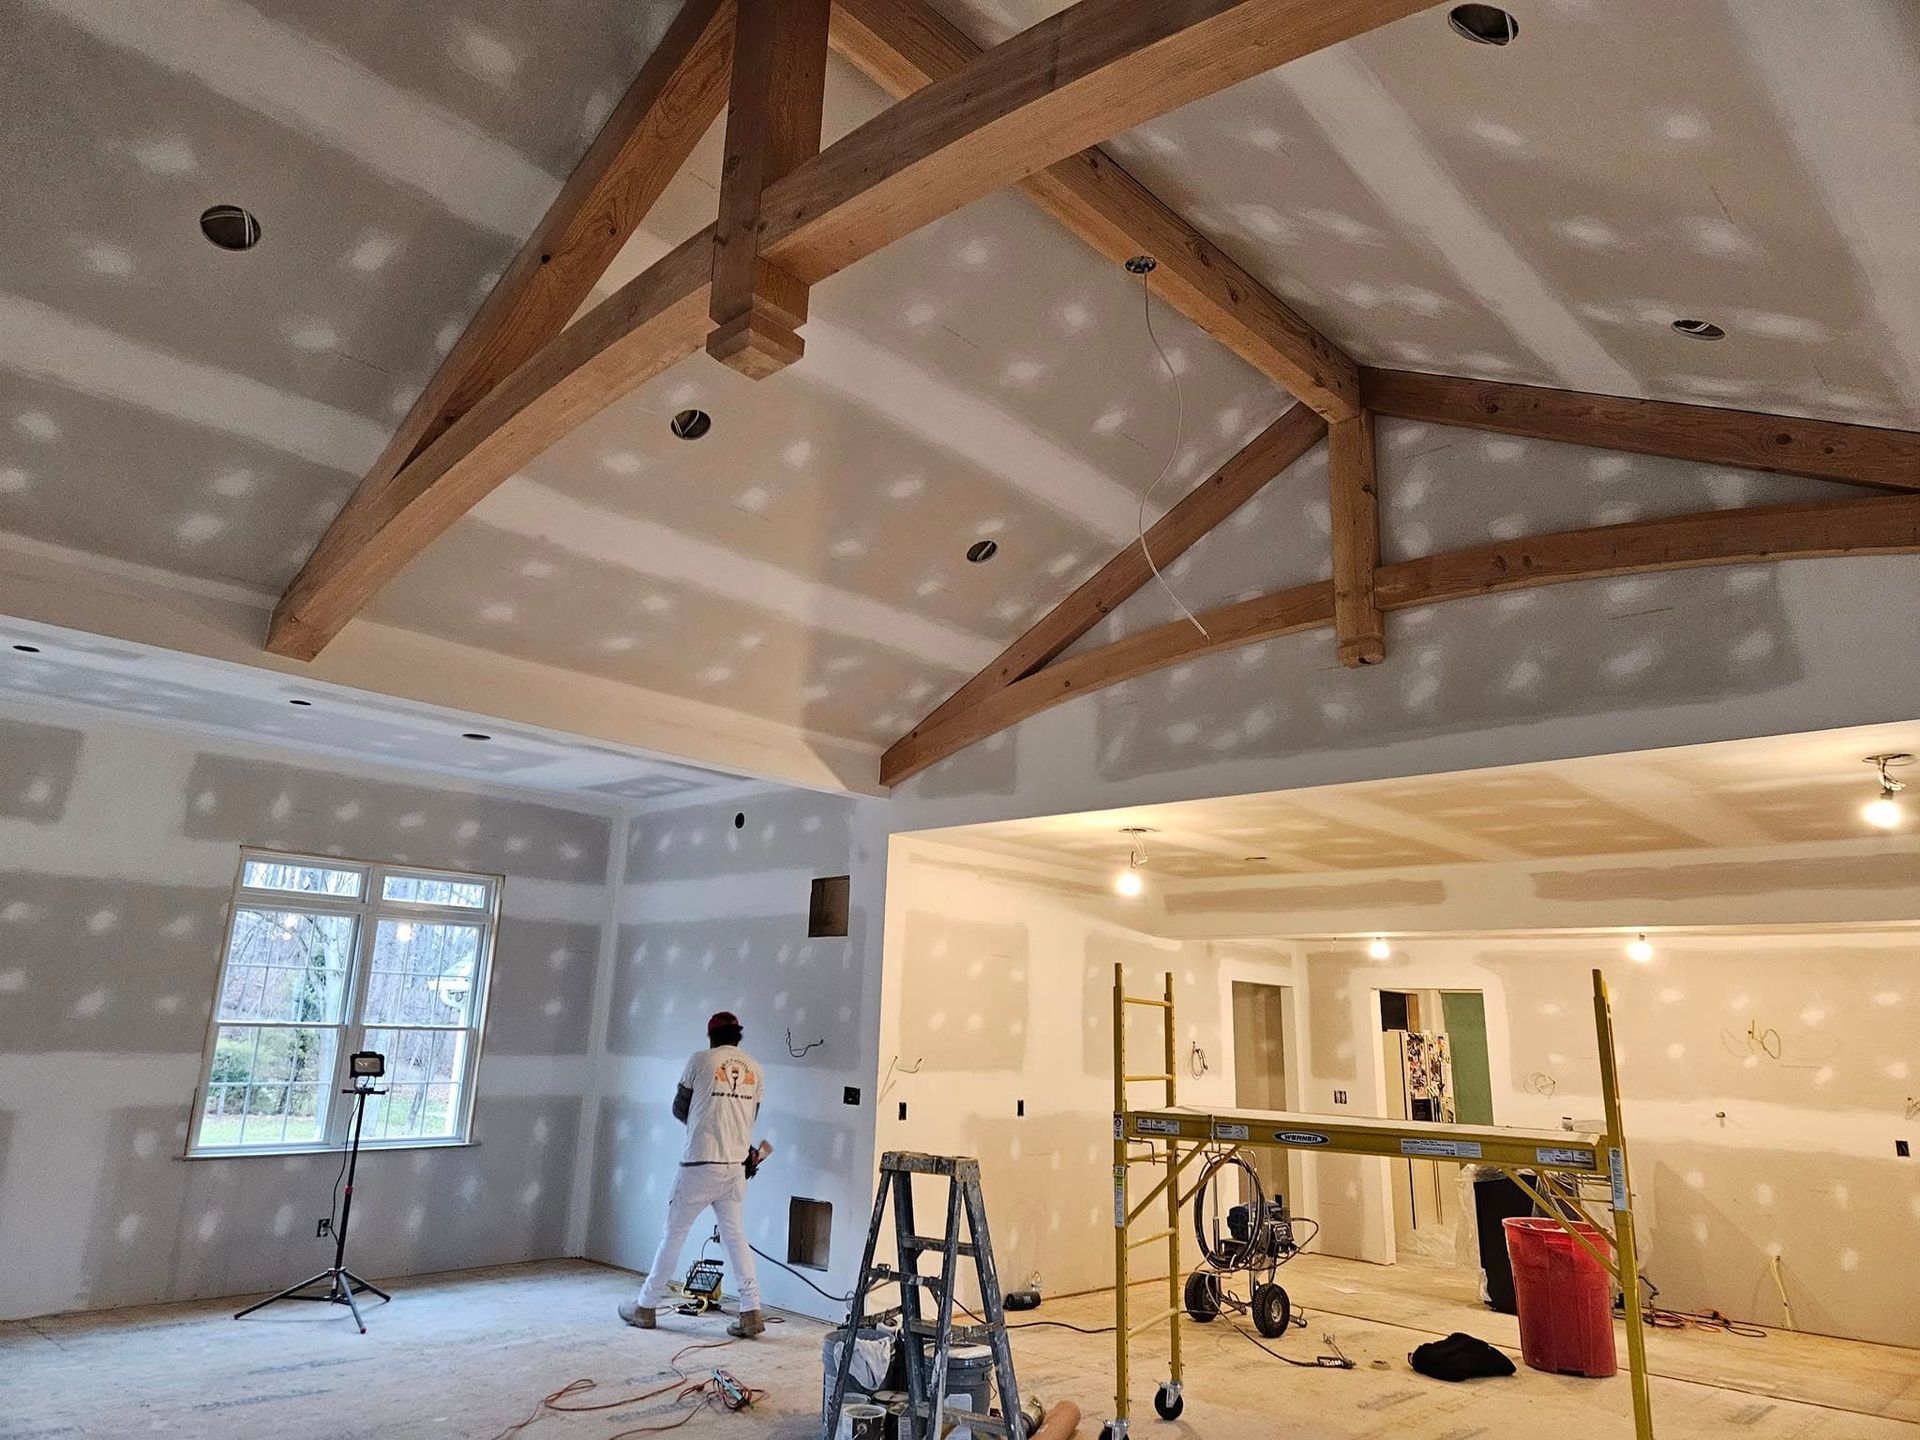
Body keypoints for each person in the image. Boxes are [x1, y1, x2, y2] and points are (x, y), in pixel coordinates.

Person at [620, 1011, 766, 1338]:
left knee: (674, 1233)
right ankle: (751, 1311)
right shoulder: (755, 1069)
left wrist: (705, 1120)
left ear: (711, 1036)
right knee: (735, 1237)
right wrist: (744, 1149)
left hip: (699, 1165)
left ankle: (645, 1306)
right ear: (738, 1036)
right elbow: (746, 1118)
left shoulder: (700, 1061)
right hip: (734, 1169)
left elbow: (679, 1108)